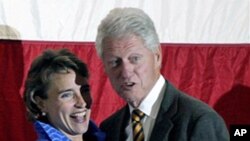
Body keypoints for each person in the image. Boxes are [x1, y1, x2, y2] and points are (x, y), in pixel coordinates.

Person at [95, 7, 230, 141]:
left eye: (135, 59)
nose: (125, 72)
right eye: (114, 62)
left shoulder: (199, 121)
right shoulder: (109, 128)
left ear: (157, 56)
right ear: (104, 67)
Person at [23, 49, 105, 141]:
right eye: (67, 95)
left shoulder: (111, 133)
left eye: (84, 91)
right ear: (41, 103)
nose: (82, 103)